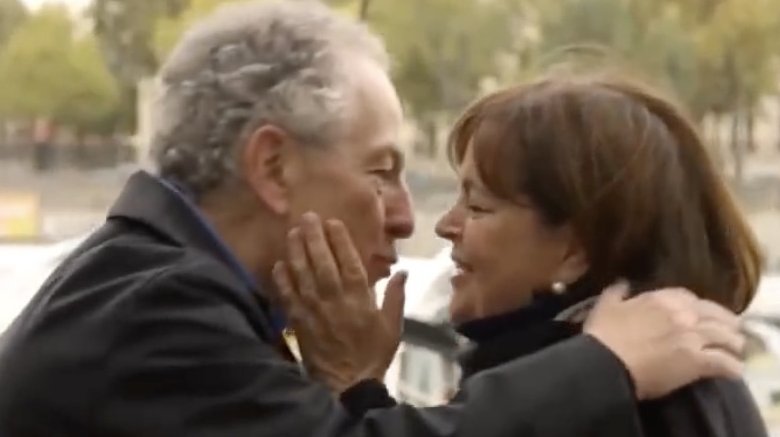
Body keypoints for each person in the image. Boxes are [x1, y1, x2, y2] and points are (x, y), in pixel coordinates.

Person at [0, 2, 745, 436]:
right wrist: (602, 365)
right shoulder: (153, 311)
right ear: (273, 168)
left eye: (479, 201)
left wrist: (356, 386)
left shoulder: (147, 286)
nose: (408, 218)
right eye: (381, 171)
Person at [274, 73, 767, 435]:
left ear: (575, 249)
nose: (446, 226)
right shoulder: (637, 387)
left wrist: (353, 386)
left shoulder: (624, 406)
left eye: (479, 205)